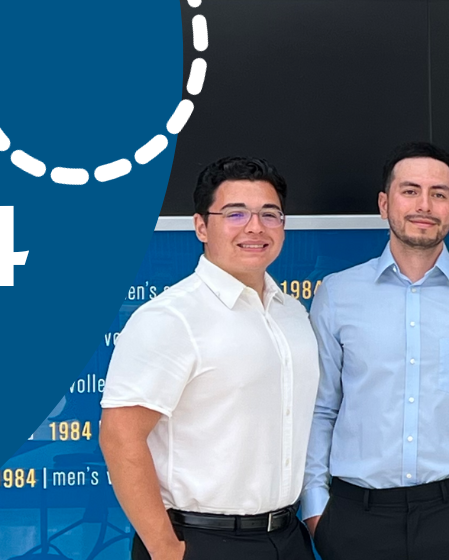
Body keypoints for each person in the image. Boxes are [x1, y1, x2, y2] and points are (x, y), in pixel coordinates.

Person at [306, 142, 449, 560]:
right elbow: (320, 409)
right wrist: (316, 509)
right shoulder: (337, 294)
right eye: (410, 191)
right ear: (384, 203)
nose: (424, 205)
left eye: (439, 193)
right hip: (355, 518)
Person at [101, 157, 319, 560]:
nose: (255, 227)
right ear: (201, 225)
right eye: (235, 213)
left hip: (286, 538)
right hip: (200, 541)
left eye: (270, 214)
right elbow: (120, 436)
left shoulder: (293, 314)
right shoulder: (171, 318)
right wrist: (166, 550)